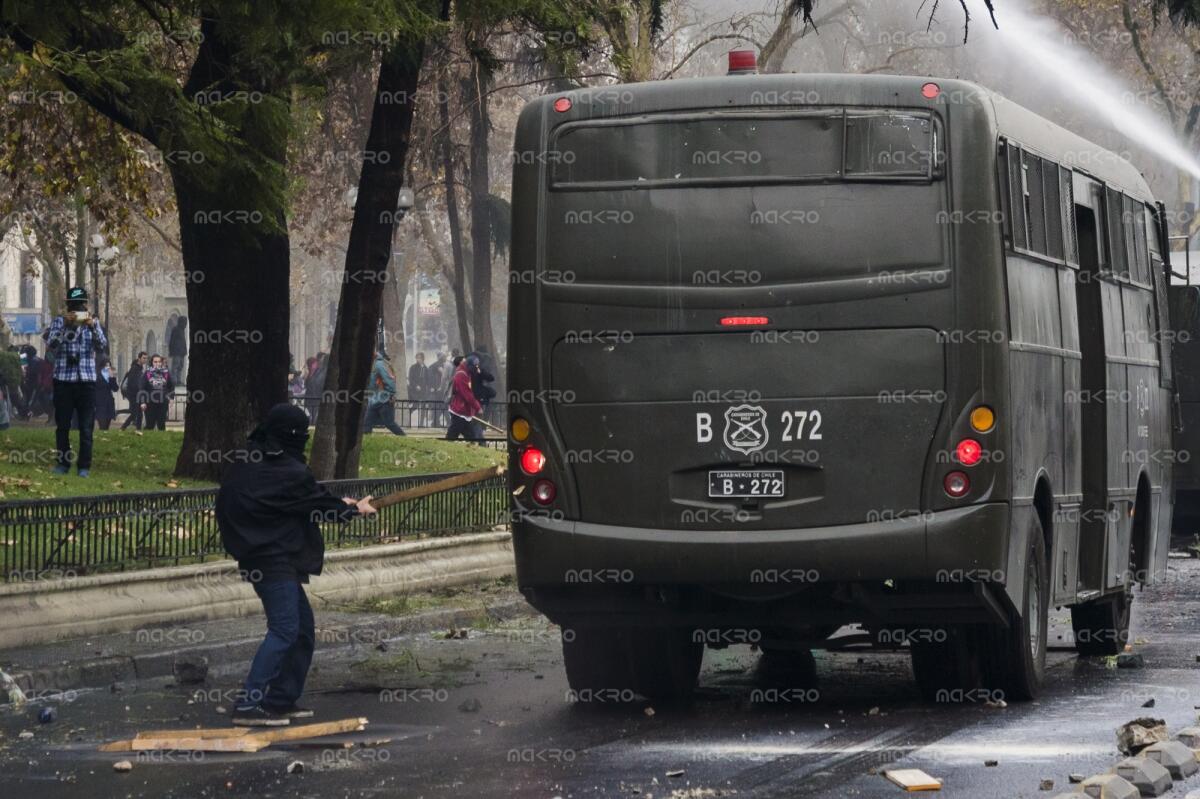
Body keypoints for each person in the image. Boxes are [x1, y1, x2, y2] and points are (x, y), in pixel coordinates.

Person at [217, 403, 377, 726]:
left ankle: (279, 699)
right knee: (285, 630)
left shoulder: (247, 462)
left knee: (302, 631)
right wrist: (352, 510)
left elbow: (302, 500)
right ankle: (249, 704)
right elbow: (311, 501)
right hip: (273, 560)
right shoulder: (289, 472)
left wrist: (338, 505)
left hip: (259, 556)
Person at [43, 287, 108, 477]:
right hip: (63, 380)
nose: (77, 309)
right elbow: (51, 347)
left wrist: (92, 326)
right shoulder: (58, 322)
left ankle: (84, 466)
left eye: (80, 305)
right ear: (68, 307)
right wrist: (65, 325)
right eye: (74, 306)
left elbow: (102, 346)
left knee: (86, 427)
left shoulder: (93, 323)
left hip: (86, 381)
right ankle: (63, 463)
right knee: (62, 425)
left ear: (85, 305)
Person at [364, 350, 406, 436]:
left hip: (384, 400)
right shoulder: (374, 364)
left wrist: (391, 395)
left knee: (389, 423)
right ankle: (367, 440)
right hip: (375, 400)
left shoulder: (379, 365)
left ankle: (404, 437)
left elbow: (389, 380)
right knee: (367, 423)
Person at [446, 354, 484, 443]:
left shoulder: (467, 373)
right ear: (470, 366)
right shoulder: (461, 375)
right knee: (451, 437)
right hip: (459, 412)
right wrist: (477, 407)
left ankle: (475, 450)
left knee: (471, 437)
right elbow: (467, 394)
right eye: (475, 367)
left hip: (464, 413)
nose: (476, 370)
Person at [140, 354, 174, 431]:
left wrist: (171, 398)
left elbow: (171, 385)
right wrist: (142, 402)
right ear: (151, 362)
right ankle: (147, 441)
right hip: (150, 402)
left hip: (163, 402)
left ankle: (162, 442)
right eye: (155, 362)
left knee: (161, 424)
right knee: (150, 425)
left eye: (159, 362)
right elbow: (142, 388)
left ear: (161, 363)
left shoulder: (166, 372)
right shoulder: (147, 373)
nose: (157, 364)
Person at [120, 352, 148, 430]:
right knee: (136, 413)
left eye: (146, 358)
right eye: (144, 358)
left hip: (136, 394)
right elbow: (134, 383)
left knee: (137, 413)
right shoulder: (135, 368)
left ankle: (134, 429)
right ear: (139, 358)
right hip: (134, 394)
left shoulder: (139, 368)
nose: (145, 360)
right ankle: (124, 427)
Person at [94, 356, 119, 430]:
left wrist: (112, 378)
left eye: (109, 365)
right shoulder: (97, 375)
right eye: (106, 365)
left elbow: (115, 389)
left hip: (109, 403)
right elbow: (96, 387)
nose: (107, 367)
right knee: (102, 424)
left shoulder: (111, 376)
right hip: (100, 403)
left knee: (107, 426)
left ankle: (105, 439)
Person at [407, 352, 428, 426]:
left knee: (423, 408)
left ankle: (421, 424)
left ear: (423, 359)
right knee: (414, 406)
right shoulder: (413, 367)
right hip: (414, 391)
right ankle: (407, 421)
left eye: (419, 358)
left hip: (423, 391)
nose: (418, 359)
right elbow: (410, 378)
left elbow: (427, 379)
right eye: (417, 358)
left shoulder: (425, 368)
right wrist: (416, 386)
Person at [168, 315, 188, 385]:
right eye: (185, 322)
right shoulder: (176, 329)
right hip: (176, 352)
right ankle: (174, 381)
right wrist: (171, 351)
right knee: (175, 367)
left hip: (182, 352)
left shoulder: (182, 330)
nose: (185, 324)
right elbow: (172, 341)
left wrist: (185, 351)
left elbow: (183, 341)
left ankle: (178, 381)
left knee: (180, 367)